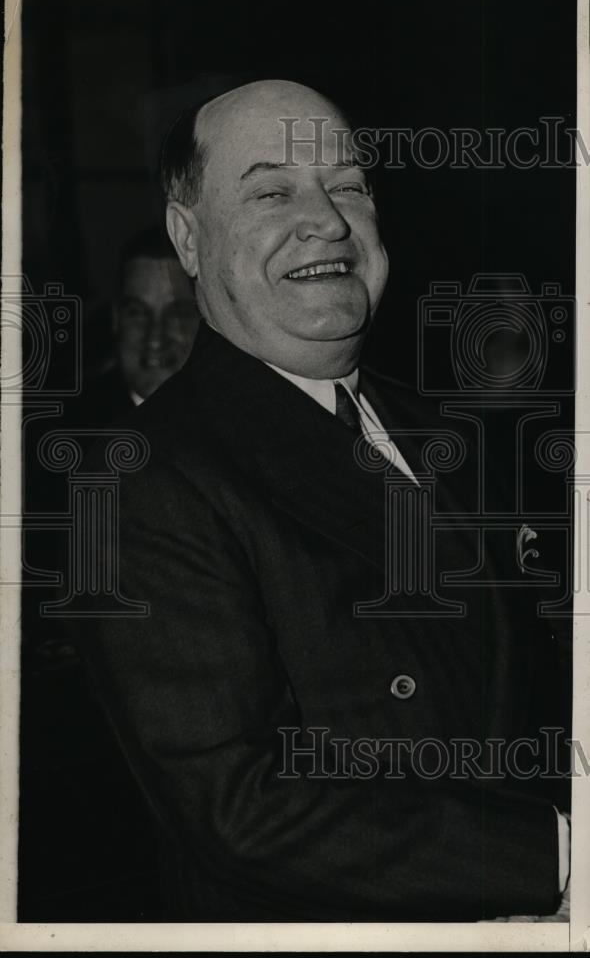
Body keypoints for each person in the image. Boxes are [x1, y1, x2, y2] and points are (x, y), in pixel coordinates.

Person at [72, 80, 570, 921]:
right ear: (188, 238)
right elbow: (240, 805)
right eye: (271, 191)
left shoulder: (453, 434)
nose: (329, 221)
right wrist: (557, 857)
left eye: (348, 186)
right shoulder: (140, 480)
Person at [75, 227, 201, 426]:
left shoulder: (242, 419)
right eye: (138, 313)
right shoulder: (61, 432)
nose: (155, 340)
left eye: (177, 314)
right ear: (116, 319)